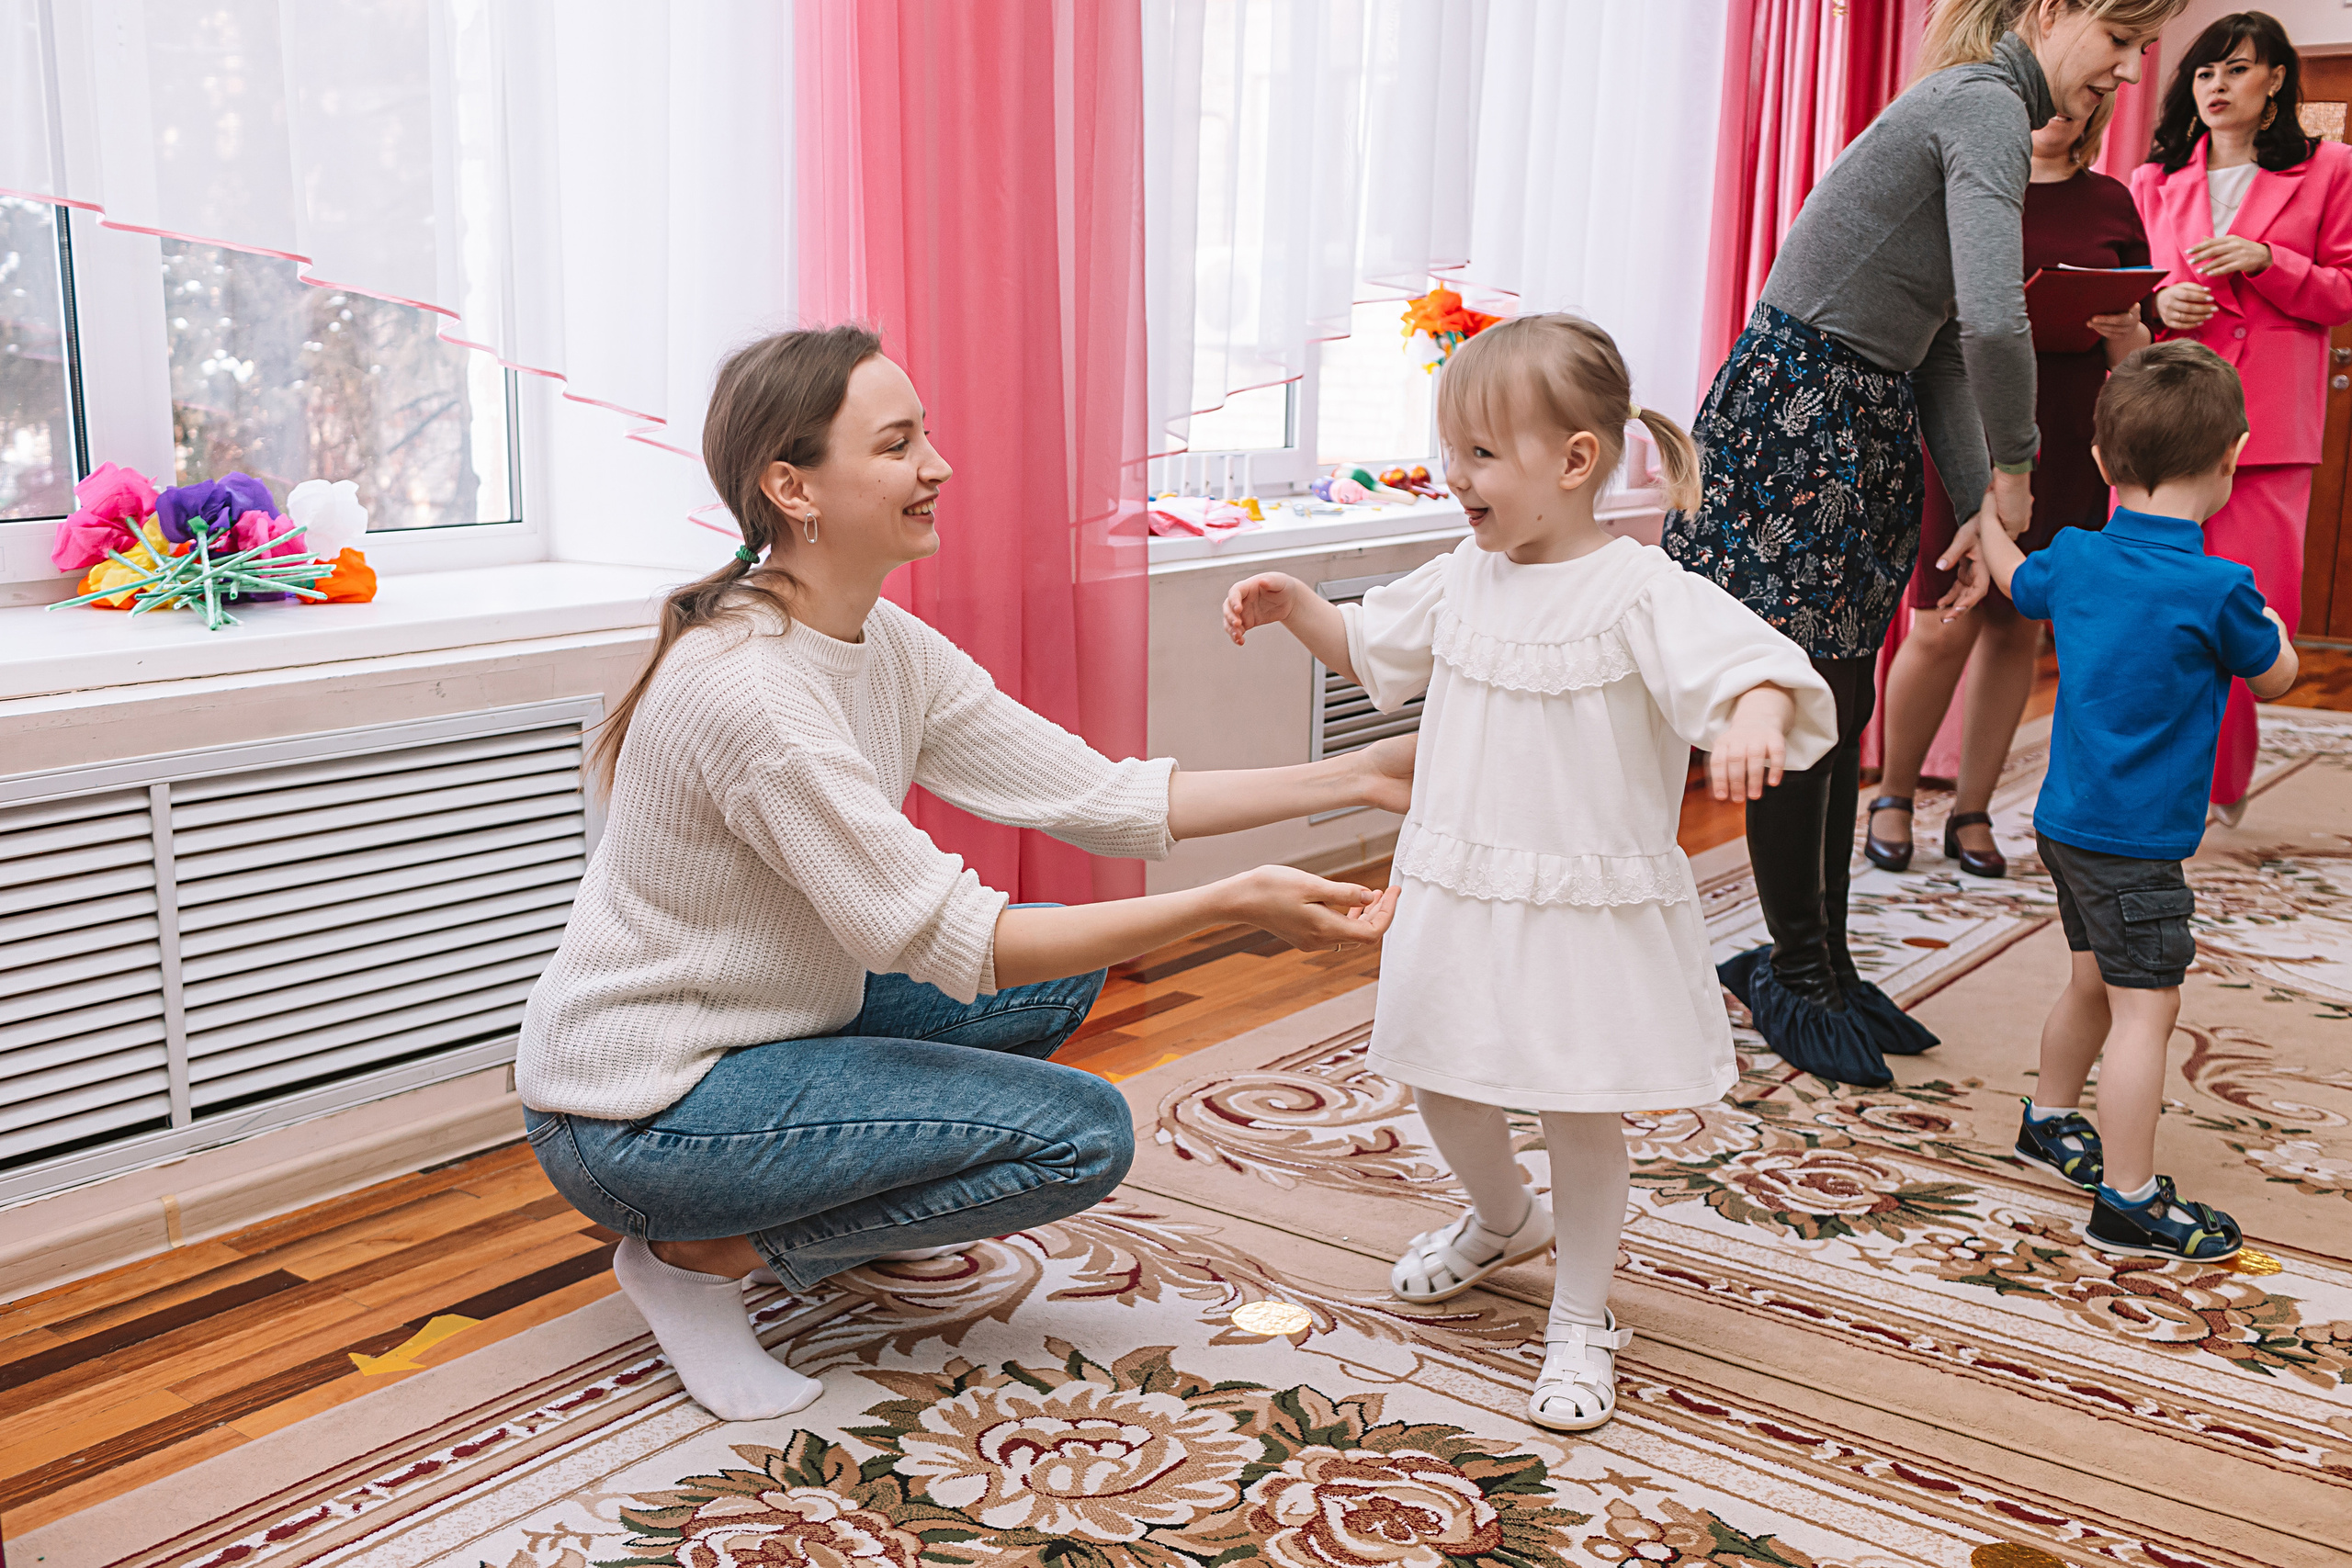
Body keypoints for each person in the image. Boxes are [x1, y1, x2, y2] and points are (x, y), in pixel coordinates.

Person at [517, 325, 1413, 1422]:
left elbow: (1101, 796)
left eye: (925, 435)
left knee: (1060, 978)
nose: (937, 467)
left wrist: (1357, 775)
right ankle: (697, 1262)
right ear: (792, 486)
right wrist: (1231, 903)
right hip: (639, 1113)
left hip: (763, 1031)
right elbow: (952, 938)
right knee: (1080, 1136)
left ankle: (806, 1207)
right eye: (897, 445)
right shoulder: (752, 694)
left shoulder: (878, 641)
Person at [1221, 315, 1837, 1431]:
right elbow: (1373, 649)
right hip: (1458, 884)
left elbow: (1756, 667)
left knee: (1576, 1106)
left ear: (1573, 461)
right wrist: (1297, 608)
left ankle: (1584, 1314)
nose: (1454, 478)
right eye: (1450, 452)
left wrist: (1749, 716)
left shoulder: (1642, 590)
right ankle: (1504, 1219)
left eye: (1479, 456)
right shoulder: (1466, 574)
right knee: (1441, 1074)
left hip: (1580, 899)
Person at [1664, 0, 2178, 1085]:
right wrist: (2017, 465)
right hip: (1804, 408)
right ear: (2049, 13)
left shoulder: (1980, 109)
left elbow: (1945, 345)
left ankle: (1821, 962)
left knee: (1840, 697)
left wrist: (1979, 505)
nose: (2128, 73)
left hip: (1861, 406)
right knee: (1803, 686)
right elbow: (1994, 322)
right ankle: (1793, 973)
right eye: (2120, 40)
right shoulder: (1983, 106)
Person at [1987, 342, 2295, 1258]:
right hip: (2136, 846)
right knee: (2144, 1012)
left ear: (2098, 461)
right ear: (2234, 454)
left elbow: (2015, 577)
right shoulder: (2218, 588)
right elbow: (2276, 677)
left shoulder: (2076, 557)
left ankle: (2048, 1119)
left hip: (2065, 826)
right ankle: (2126, 1198)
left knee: (2091, 976)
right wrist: (2271, 624)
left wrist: (1988, 523)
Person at [1869, 101, 2154, 880]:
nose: (2071, 112)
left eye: (2089, 101)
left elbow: (2140, 350)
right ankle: (1892, 794)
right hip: (1962, 419)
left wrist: (2126, 330)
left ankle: (1972, 809)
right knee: (1941, 621)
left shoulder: (2113, 202)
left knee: (2017, 623)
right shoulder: (1972, 182)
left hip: (2067, 429)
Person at [2132, 10, 2352, 826]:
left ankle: (2219, 786)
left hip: (2267, 431)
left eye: (2236, 70)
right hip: (2164, 420)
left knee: (2249, 615)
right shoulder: (2151, 181)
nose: (2216, 86)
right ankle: (2152, 783)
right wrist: (2159, 303)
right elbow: (2126, 294)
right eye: (2204, 73)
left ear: (2275, 83)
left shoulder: (2332, 170)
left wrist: (2272, 260)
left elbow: (2345, 290)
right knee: (2154, 616)